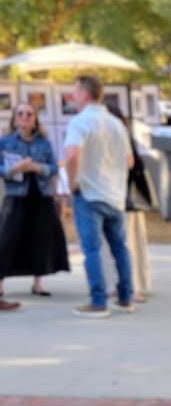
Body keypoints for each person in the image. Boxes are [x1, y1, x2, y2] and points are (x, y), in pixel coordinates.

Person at [63, 75, 134, 319]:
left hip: (89, 193)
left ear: (84, 93)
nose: (73, 96)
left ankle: (98, 301)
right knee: (120, 248)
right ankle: (125, 297)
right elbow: (129, 160)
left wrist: (72, 181)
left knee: (91, 250)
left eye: (75, 91)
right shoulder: (117, 124)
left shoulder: (79, 122)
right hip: (115, 193)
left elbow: (71, 155)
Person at [0, 103, 70, 311]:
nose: (25, 117)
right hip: (16, 195)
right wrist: (15, 168)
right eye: (20, 113)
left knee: (41, 238)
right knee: (7, 239)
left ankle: (38, 283)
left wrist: (37, 168)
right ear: (14, 119)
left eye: (29, 114)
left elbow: (53, 167)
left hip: (41, 195)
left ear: (35, 119)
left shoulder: (44, 143)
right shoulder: (5, 141)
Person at [107, 105, 156, 302]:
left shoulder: (124, 140)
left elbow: (133, 167)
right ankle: (115, 283)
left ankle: (134, 285)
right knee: (113, 244)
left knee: (129, 244)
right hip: (112, 197)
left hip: (126, 199)